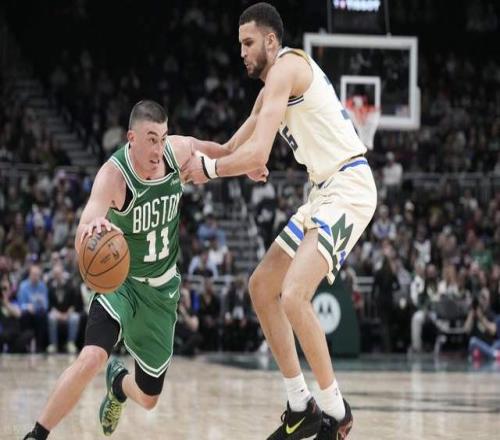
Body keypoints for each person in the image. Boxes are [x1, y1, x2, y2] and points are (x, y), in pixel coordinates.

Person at [185, 3, 377, 439]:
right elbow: (231, 148)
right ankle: (300, 406)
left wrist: (210, 170)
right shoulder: (271, 87)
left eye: (248, 42)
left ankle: (336, 413)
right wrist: (185, 152)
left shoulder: (287, 68)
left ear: (271, 41)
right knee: (262, 286)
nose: (242, 52)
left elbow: (255, 155)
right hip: (323, 191)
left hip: (349, 185)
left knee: (293, 294)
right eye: (240, 44)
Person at [23, 100, 227, 439]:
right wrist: (90, 232)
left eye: (163, 138)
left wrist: (246, 161)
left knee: (148, 398)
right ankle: (37, 434)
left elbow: (214, 150)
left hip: (161, 292)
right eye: (151, 139)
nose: (158, 148)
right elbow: (85, 226)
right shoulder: (113, 176)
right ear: (131, 138)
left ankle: (118, 383)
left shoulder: (175, 153)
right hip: (122, 282)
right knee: (91, 357)